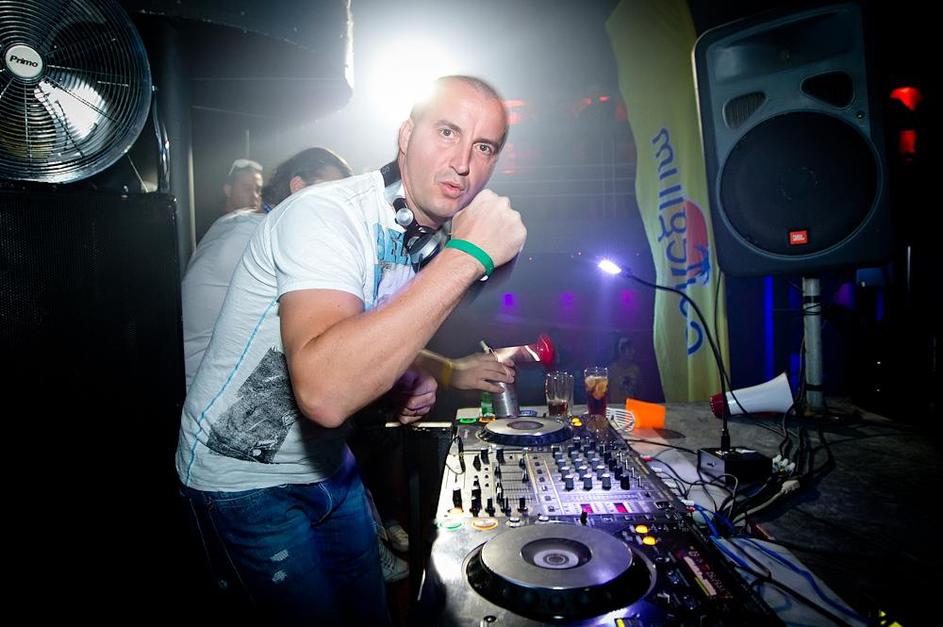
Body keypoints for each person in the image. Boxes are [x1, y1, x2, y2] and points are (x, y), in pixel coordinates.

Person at [176, 75, 525, 625]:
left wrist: (404, 375)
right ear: (405, 136)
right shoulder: (325, 214)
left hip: (329, 466)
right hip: (241, 483)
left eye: (484, 147)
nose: (463, 162)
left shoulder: (426, 241)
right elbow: (324, 392)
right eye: (447, 132)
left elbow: (365, 334)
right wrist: (468, 256)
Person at [181, 149, 351, 388]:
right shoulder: (266, 234)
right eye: (330, 194)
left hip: (192, 376)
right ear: (298, 187)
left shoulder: (241, 219)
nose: (339, 209)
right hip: (207, 386)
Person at [607, 335, 642, 405]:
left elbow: (640, 390)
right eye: (629, 349)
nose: (633, 351)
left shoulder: (635, 369)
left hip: (631, 407)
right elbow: (605, 392)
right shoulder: (611, 370)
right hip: (615, 407)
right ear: (621, 351)